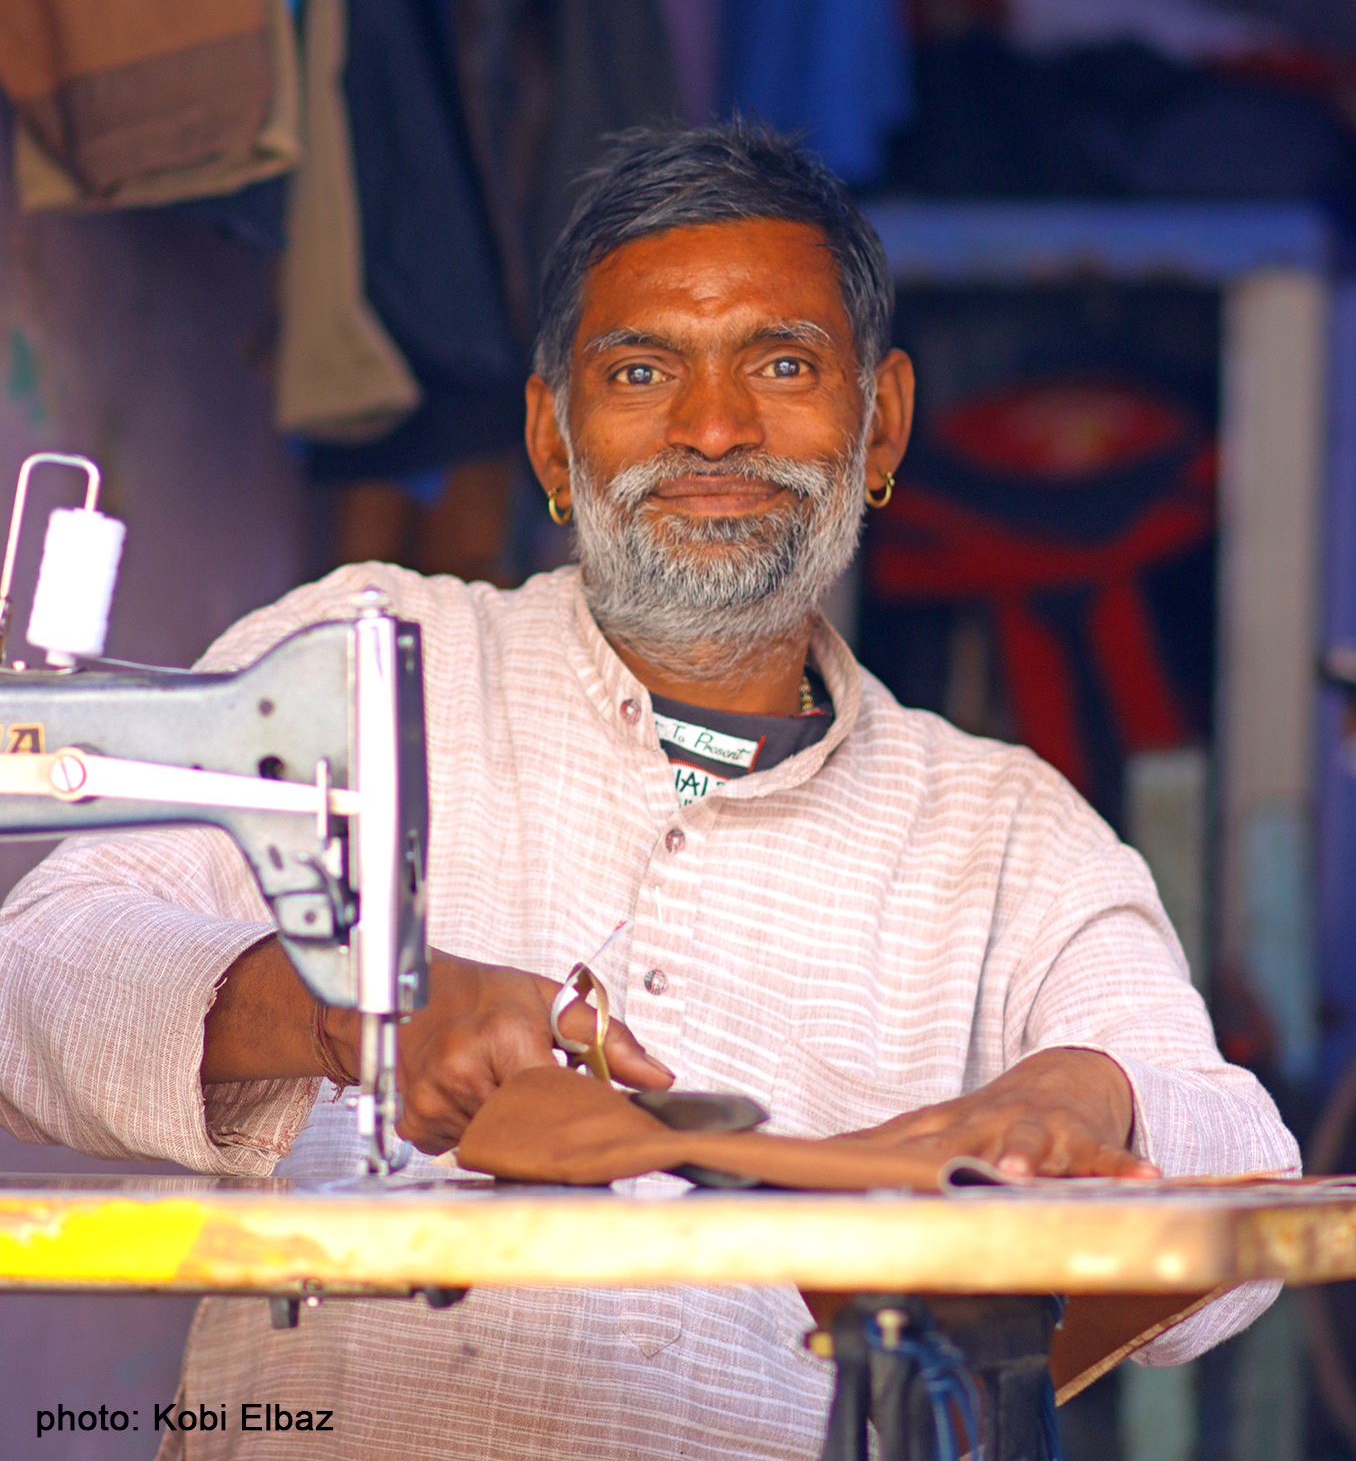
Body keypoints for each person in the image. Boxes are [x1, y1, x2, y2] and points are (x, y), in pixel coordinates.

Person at [0, 122, 1296, 1459]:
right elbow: (34, 977)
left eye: (782, 365)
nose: (716, 429)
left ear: (881, 423)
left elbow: (1242, 1178)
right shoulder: (366, 653)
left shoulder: (1003, 831)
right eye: (640, 371)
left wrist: (1092, 1095)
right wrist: (345, 1008)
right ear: (553, 443)